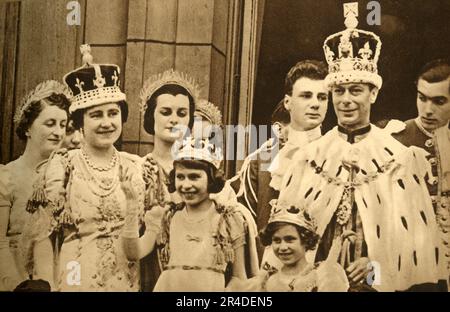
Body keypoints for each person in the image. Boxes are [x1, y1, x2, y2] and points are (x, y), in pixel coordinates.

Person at [276, 9, 446, 291]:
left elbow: (414, 251)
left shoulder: (399, 159)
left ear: (373, 93)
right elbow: (286, 237)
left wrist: (373, 268)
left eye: (356, 90)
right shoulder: (309, 157)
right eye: (339, 91)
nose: (346, 100)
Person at [25, 44, 145, 291]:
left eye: (113, 113)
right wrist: (46, 284)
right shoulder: (62, 166)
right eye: (96, 115)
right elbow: (43, 239)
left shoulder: (136, 167)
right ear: (80, 122)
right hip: (75, 277)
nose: (106, 123)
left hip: (125, 280)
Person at [121, 137, 252, 291]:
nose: (186, 185)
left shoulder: (228, 219)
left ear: (211, 179)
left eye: (194, 177)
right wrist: (130, 204)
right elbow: (133, 253)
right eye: (180, 177)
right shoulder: (165, 216)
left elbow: (239, 277)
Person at [231, 60, 329, 259]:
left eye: (322, 97)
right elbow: (246, 225)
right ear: (288, 102)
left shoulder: (335, 154)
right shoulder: (263, 159)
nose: (315, 104)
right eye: (305, 96)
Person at [0, 80, 69, 291]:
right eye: (50, 124)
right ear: (28, 127)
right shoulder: (6, 176)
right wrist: (17, 285)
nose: (58, 132)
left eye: (63, 125)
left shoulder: (69, 175)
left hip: (59, 276)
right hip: (15, 279)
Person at [138, 69, 199, 291]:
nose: (174, 119)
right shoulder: (138, 169)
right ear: (151, 117)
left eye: (182, 113)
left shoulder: (200, 171)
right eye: (165, 112)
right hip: (146, 264)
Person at [391, 59, 450, 281]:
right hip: (411, 263)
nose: (427, 110)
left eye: (439, 101)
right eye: (422, 98)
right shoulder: (395, 139)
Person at [230, 200, 348, 292]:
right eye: (277, 240)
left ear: (306, 241)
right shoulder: (266, 281)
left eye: (290, 239)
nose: (282, 247)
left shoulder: (321, 275)